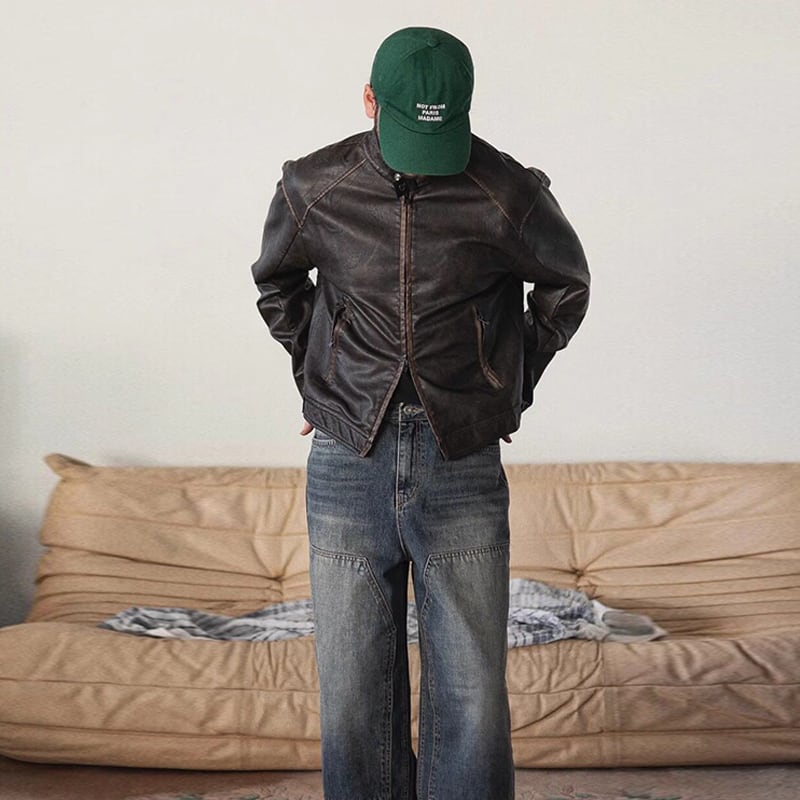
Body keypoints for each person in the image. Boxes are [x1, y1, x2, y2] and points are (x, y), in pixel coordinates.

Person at [250, 26, 590, 800]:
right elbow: (277, 284)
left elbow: (565, 288)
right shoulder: (314, 186)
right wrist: (319, 379)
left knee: (471, 693)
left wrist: (505, 386)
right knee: (352, 692)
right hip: (348, 458)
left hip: (460, 457)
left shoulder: (509, 192)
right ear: (370, 101)